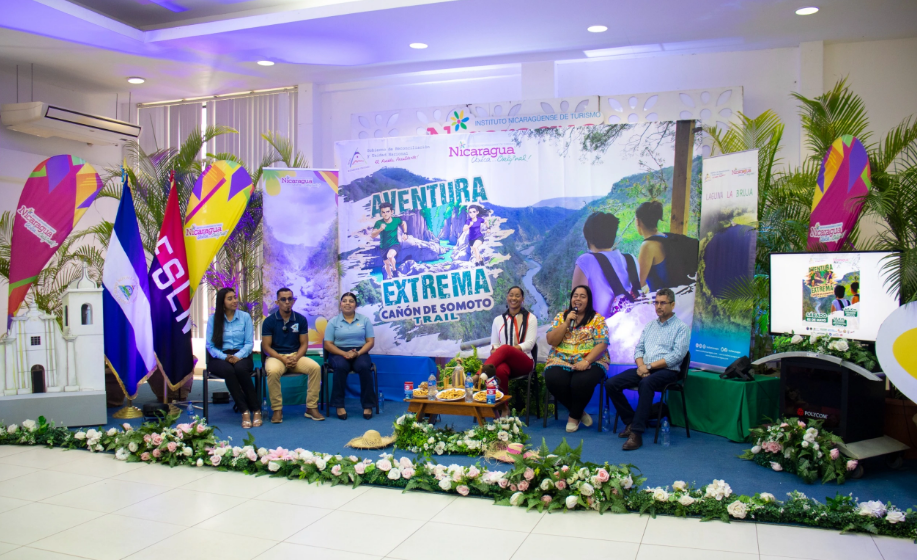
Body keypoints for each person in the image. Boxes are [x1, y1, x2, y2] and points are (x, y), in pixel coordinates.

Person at [605, 287, 690, 450]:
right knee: (611, 384)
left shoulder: (681, 328)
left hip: (668, 371)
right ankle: (630, 421)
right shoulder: (650, 326)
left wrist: (648, 366)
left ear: (672, 305)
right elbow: (639, 349)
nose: (658, 306)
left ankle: (636, 434)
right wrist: (641, 366)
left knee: (646, 383)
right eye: (656, 302)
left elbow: (676, 356)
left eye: (663, 303)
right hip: (645, 368)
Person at [543, 285, 610, 433]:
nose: (578, 299)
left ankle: (573, 416)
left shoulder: (597, 319)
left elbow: (602, 344)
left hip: (592, 359)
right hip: (561, 358)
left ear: (588, 300)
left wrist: (586, 361)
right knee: (553, 378)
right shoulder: (561, 316)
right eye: (575, 296)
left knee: (581, 381)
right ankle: (579, 411)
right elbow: (551, 340)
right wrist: (566, 323)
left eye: (582, 296)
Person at [262, 287, 324, 424]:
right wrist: (282, 358)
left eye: (290, 299)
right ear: (277, 302)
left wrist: (295, 358)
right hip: (276, 357)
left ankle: (311, 408)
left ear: (294, 301)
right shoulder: (269, 321)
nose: (287, 302)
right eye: (283, 299)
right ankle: (277, 409)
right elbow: (266, 347)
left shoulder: (300, 319)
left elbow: (304, 344)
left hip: (296, 356)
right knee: (272, 371)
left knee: (315, 367)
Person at [206, 287, 260, 428]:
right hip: (220, 356)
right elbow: (210, 346)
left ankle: (256, 409)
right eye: (230, 299)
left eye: (235, 297)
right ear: (222, 302)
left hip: (242, 354)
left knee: (241, 370)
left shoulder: (245, 317)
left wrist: (237, 356)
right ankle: (245, 411)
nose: (235, 301)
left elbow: (249, 343)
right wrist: (225, 357)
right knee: (229, 371)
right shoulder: (213, 319)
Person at [572, 212, 638, 318]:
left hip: (601, 331)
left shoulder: (586, 261)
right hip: (631, 327)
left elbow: (578, 306)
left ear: (587, 236)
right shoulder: (631, 259)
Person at [325, 292, 376, 420]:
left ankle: (368, 405)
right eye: (345, 301)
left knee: (365, 367)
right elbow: (327, 344)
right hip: (338, 352)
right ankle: (339, 405)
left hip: (360, 351)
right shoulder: (333, 322)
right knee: (341, 367)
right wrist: (344, 353)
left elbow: (370, 341)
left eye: (351, 301)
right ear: (340, 304)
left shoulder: (364, 320)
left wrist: (358, 353)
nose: (348, 303)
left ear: (355, 305)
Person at [482, 286, 538, 392]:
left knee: (506, 348)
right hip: (505, 363)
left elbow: (530, 344)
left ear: (522, 299)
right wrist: (497, 351)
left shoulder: (531, 318)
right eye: (511, 295)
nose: (514, 298)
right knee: (499, 370)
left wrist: (508, 351)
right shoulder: (498, 320)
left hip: (524, 362)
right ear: (507, 297)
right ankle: (504, 407)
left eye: (517, 296)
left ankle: (479, 375)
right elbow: (494, 345)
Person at [635, 200, 700, 290]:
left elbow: (639, 283)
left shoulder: (648, 246)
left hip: (663, 300)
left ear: (638, 221)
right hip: (678, 294)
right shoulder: (666, 237)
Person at [370, 202, 407, 279]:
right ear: (381, 213)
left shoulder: (396, 220)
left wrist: (405, 233)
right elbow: (373, 235)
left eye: (387, 212)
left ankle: (394, 270)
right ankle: (390, 277)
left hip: (394, 244)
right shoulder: (379, 223)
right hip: (383, 247)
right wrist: (380, 229)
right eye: (383, 212)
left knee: (390, 256)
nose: (385, 214)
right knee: (386, 264)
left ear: (391, 212)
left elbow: (403, 223)